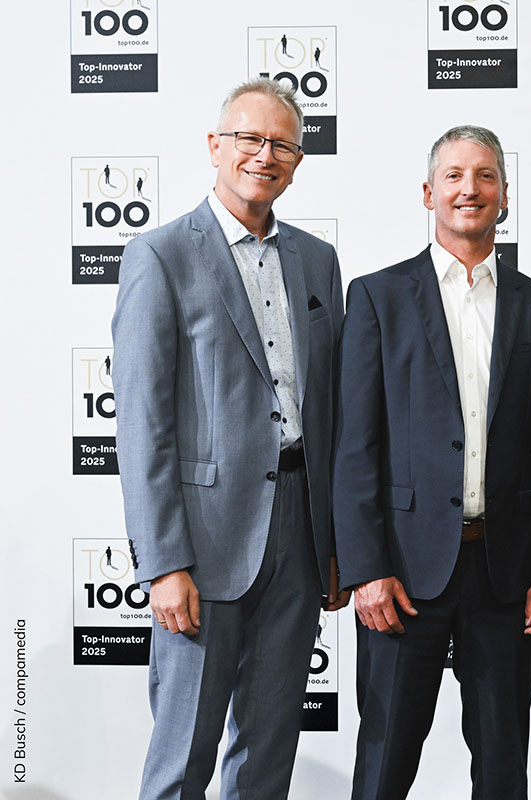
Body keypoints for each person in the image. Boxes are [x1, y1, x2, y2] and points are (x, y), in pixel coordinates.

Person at [112, 77, 349, 799]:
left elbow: (331, 408)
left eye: (282, 145)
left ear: (298, 162)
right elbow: (142, 423)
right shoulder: (159, 255)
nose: (264, 155)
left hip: (300, 533)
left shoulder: (318, 259)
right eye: (249, 138)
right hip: (203, 542)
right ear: (216, 146)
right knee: (182, 756)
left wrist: (335, 543)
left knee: (267, 755)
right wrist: (163, 563)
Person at [334, 124, 531, 800]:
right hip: (401, 575)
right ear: (428, 193)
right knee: (385, 762)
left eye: (485, 176)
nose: (469, 189)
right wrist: (366, 569)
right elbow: (355, 446)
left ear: (505, 194)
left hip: (506, 575)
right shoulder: (377, 297)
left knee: (503, 766)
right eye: (454, 176)